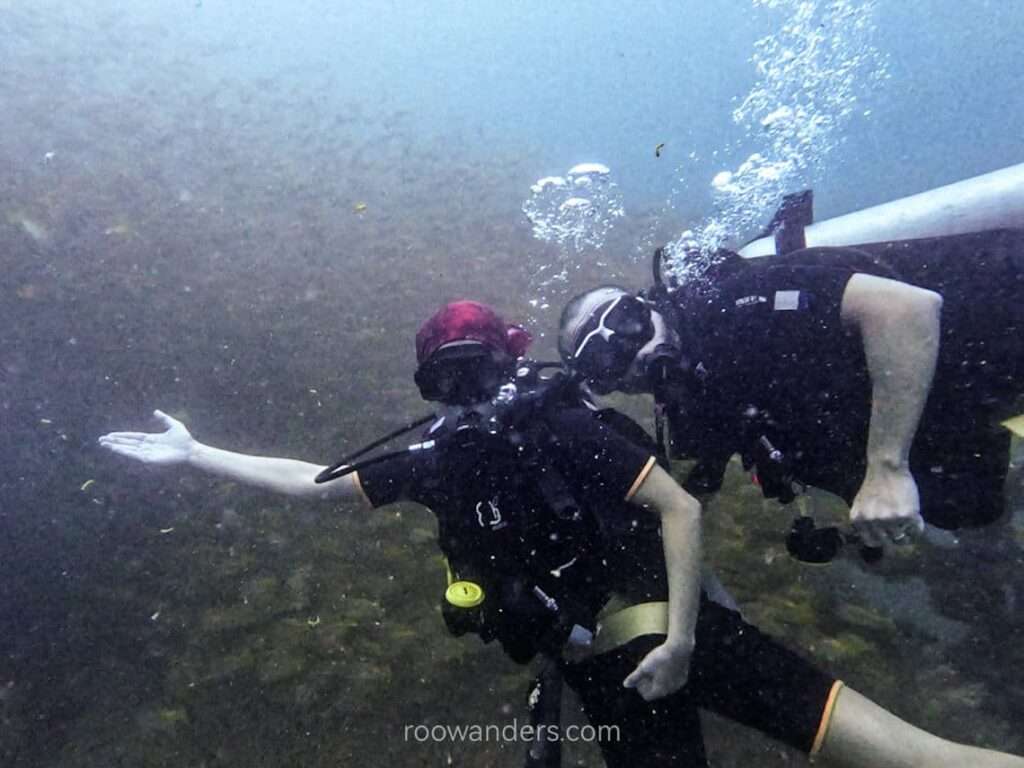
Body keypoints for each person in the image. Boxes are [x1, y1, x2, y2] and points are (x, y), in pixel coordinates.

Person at [99, 300, 1024, 767]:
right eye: (448, 384)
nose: (465, 398)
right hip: (602, 670)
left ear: (508, 362)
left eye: (474, 375)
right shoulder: (440, 456)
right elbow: (311, 484)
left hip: (678, 639)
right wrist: (195, 454)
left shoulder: (557, 424)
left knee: (913, 757)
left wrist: (684, 641)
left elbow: (682, 508)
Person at [558, 228, 1024, 553]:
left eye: (627, 323)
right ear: (609, 385)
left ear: (650, 306)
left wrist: (887, 468)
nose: (635, 350)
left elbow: (906, 308)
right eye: (605, 359)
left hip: (1003, 305)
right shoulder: (705, 401)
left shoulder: (730, 304)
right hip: (988, 380)